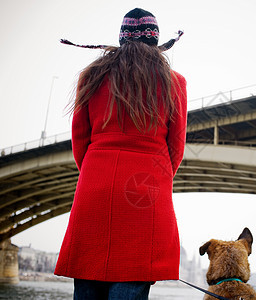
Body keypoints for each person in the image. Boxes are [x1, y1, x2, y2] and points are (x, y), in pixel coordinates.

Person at [54, 8, 187, 300]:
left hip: (95, 186)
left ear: (121, 38)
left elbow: (80, 139)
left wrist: (93, 174)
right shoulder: (174, 82)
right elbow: (176, 147)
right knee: (132, 277)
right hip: (146, 193)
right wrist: (156, 181)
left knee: (88, 280)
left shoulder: (92, 75)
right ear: (155, 41)